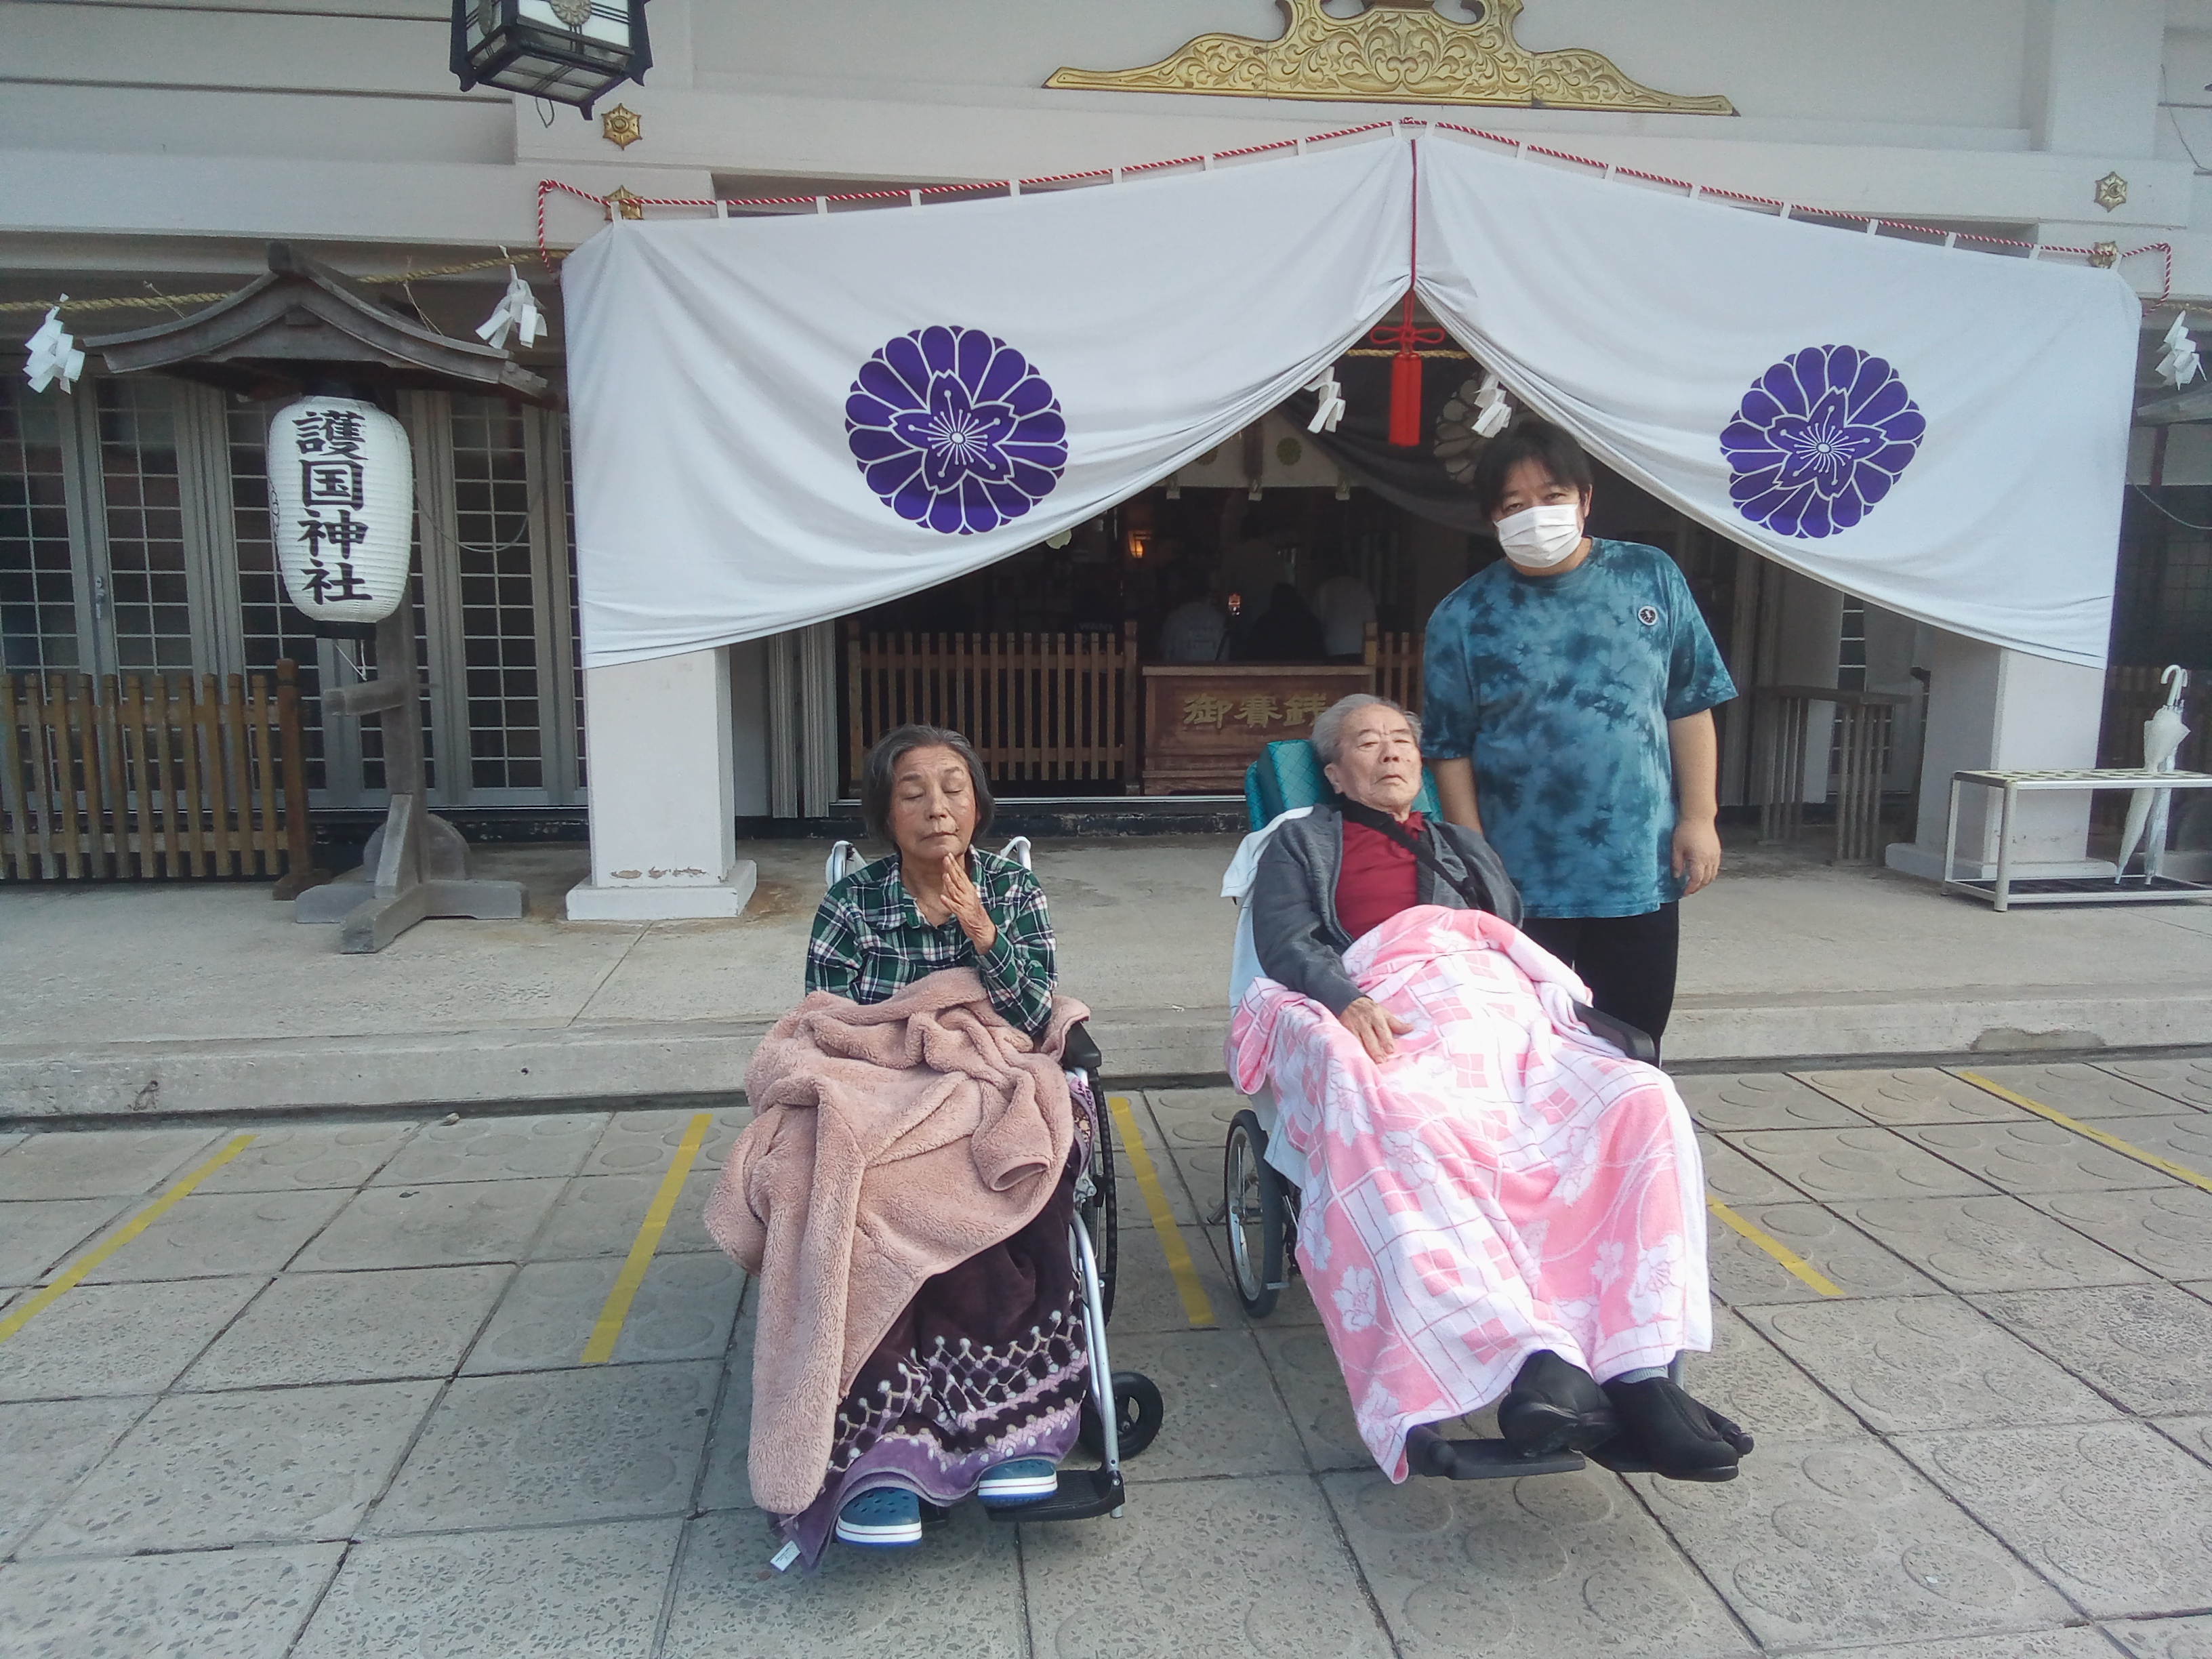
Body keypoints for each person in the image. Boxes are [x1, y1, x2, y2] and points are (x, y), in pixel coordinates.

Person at [1240, 693, 1749, 1483]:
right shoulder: (1299, 844)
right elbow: (1286, 944)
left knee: (1637, 1099)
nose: (1391, 752)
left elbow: (1505, 937)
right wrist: (1348, 999)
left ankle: (1638, 1366)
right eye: (1367, 743)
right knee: (1413, 1122)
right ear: (1334, 775)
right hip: (1391, 1006)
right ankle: (1529, 1356)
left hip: (1494, 1009)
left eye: (1402, 740)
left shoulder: (1463, 845)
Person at [706, 724, 1089, 1567]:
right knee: (847, 1192)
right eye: (913, 792)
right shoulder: (853, 904)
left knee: (1014, 1170)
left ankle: (1010, 1424)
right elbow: (821, 1028)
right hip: (878, 1090)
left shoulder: (1012, 889)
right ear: (886, 813)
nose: (936, 808)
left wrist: (982, 931)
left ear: (979, 805)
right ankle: (881, 1447)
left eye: (953, 788)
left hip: (983, 1081)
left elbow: (1035, 1020)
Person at [1422, 419, 1736, 1051]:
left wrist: (1699, 818)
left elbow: (1689, 703)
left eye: (1552, 497)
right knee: (1522, 1051)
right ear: (1492, 517)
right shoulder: (1463, 616)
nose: (1535, 516)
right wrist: (1477, 861)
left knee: (1633, 1044)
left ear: (1585, 500)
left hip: (1636, 869)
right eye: (1514, 505)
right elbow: (1449, 749)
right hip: (1520, 882)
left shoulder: (1650, 577)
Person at [1158, 562, 1228, 663]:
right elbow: (1225, 657)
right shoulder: (1220, 620)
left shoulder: (1175, 619)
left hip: (1179, 673)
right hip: (1215, 673)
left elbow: (1166, 656)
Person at [1313, 556, 1377, 664]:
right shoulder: (1362, 587)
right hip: (1364, 650)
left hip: (1334, 650)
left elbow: (1316, 621)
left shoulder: (1326, 587)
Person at [1244, 579, 1326, 662]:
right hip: (1302, 668)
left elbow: (1252, 656)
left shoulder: (1264, 623)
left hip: (1279, 668)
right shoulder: (1309, 622)